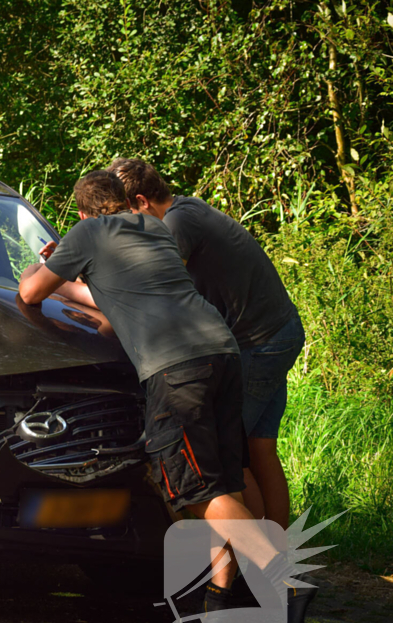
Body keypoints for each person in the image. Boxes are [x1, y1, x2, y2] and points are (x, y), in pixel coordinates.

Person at [18, 171, 327, 623]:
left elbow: (32, 292)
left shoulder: (87, 233)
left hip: (177, 368)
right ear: (125, 200)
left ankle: (285, 585)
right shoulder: (156, 229)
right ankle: (222, 602)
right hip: (223, 354)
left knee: (192, 488)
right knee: (222, 483)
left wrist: (48, 268)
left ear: (81, 212)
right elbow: (129, 286)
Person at [107, 157, 303, 531]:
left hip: (258, 343)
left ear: (143, 203)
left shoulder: (179, 224)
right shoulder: (187, 208)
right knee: (259, 449)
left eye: (125, 214)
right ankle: (278, 559)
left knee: (229, 458)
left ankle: (256, 566)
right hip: (277, 332)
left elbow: (159, 287)